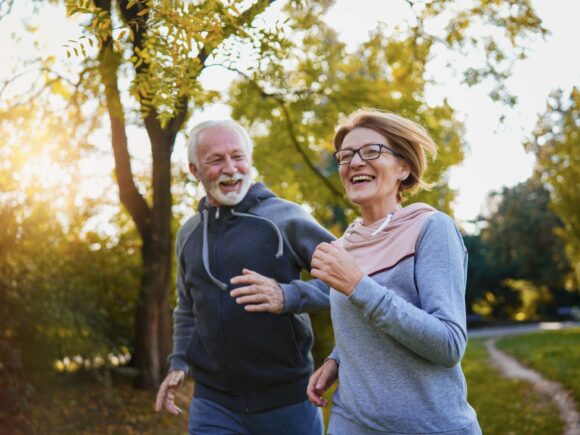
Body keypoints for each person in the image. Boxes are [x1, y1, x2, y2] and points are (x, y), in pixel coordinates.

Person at [236, 110, 481, 434]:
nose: (354, 162)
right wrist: (338, 360)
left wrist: (358, 285)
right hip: (350, 423)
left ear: (403, 166)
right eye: (346, 156)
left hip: (428, 425)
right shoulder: (344, 245)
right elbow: (365, 320)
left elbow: (448, 345)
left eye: (371, 151)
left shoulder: (431, 228)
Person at [155, 119, 334, 435]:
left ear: (250, 161)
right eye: (216, 160)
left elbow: (348, 281)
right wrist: (179, 363)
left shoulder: (285, 217)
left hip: (287, 402)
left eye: (237, 156)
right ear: (195, 170)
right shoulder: (189, 234)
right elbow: (186, 309)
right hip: (213, 404)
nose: (230, 168)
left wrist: (289, 295)